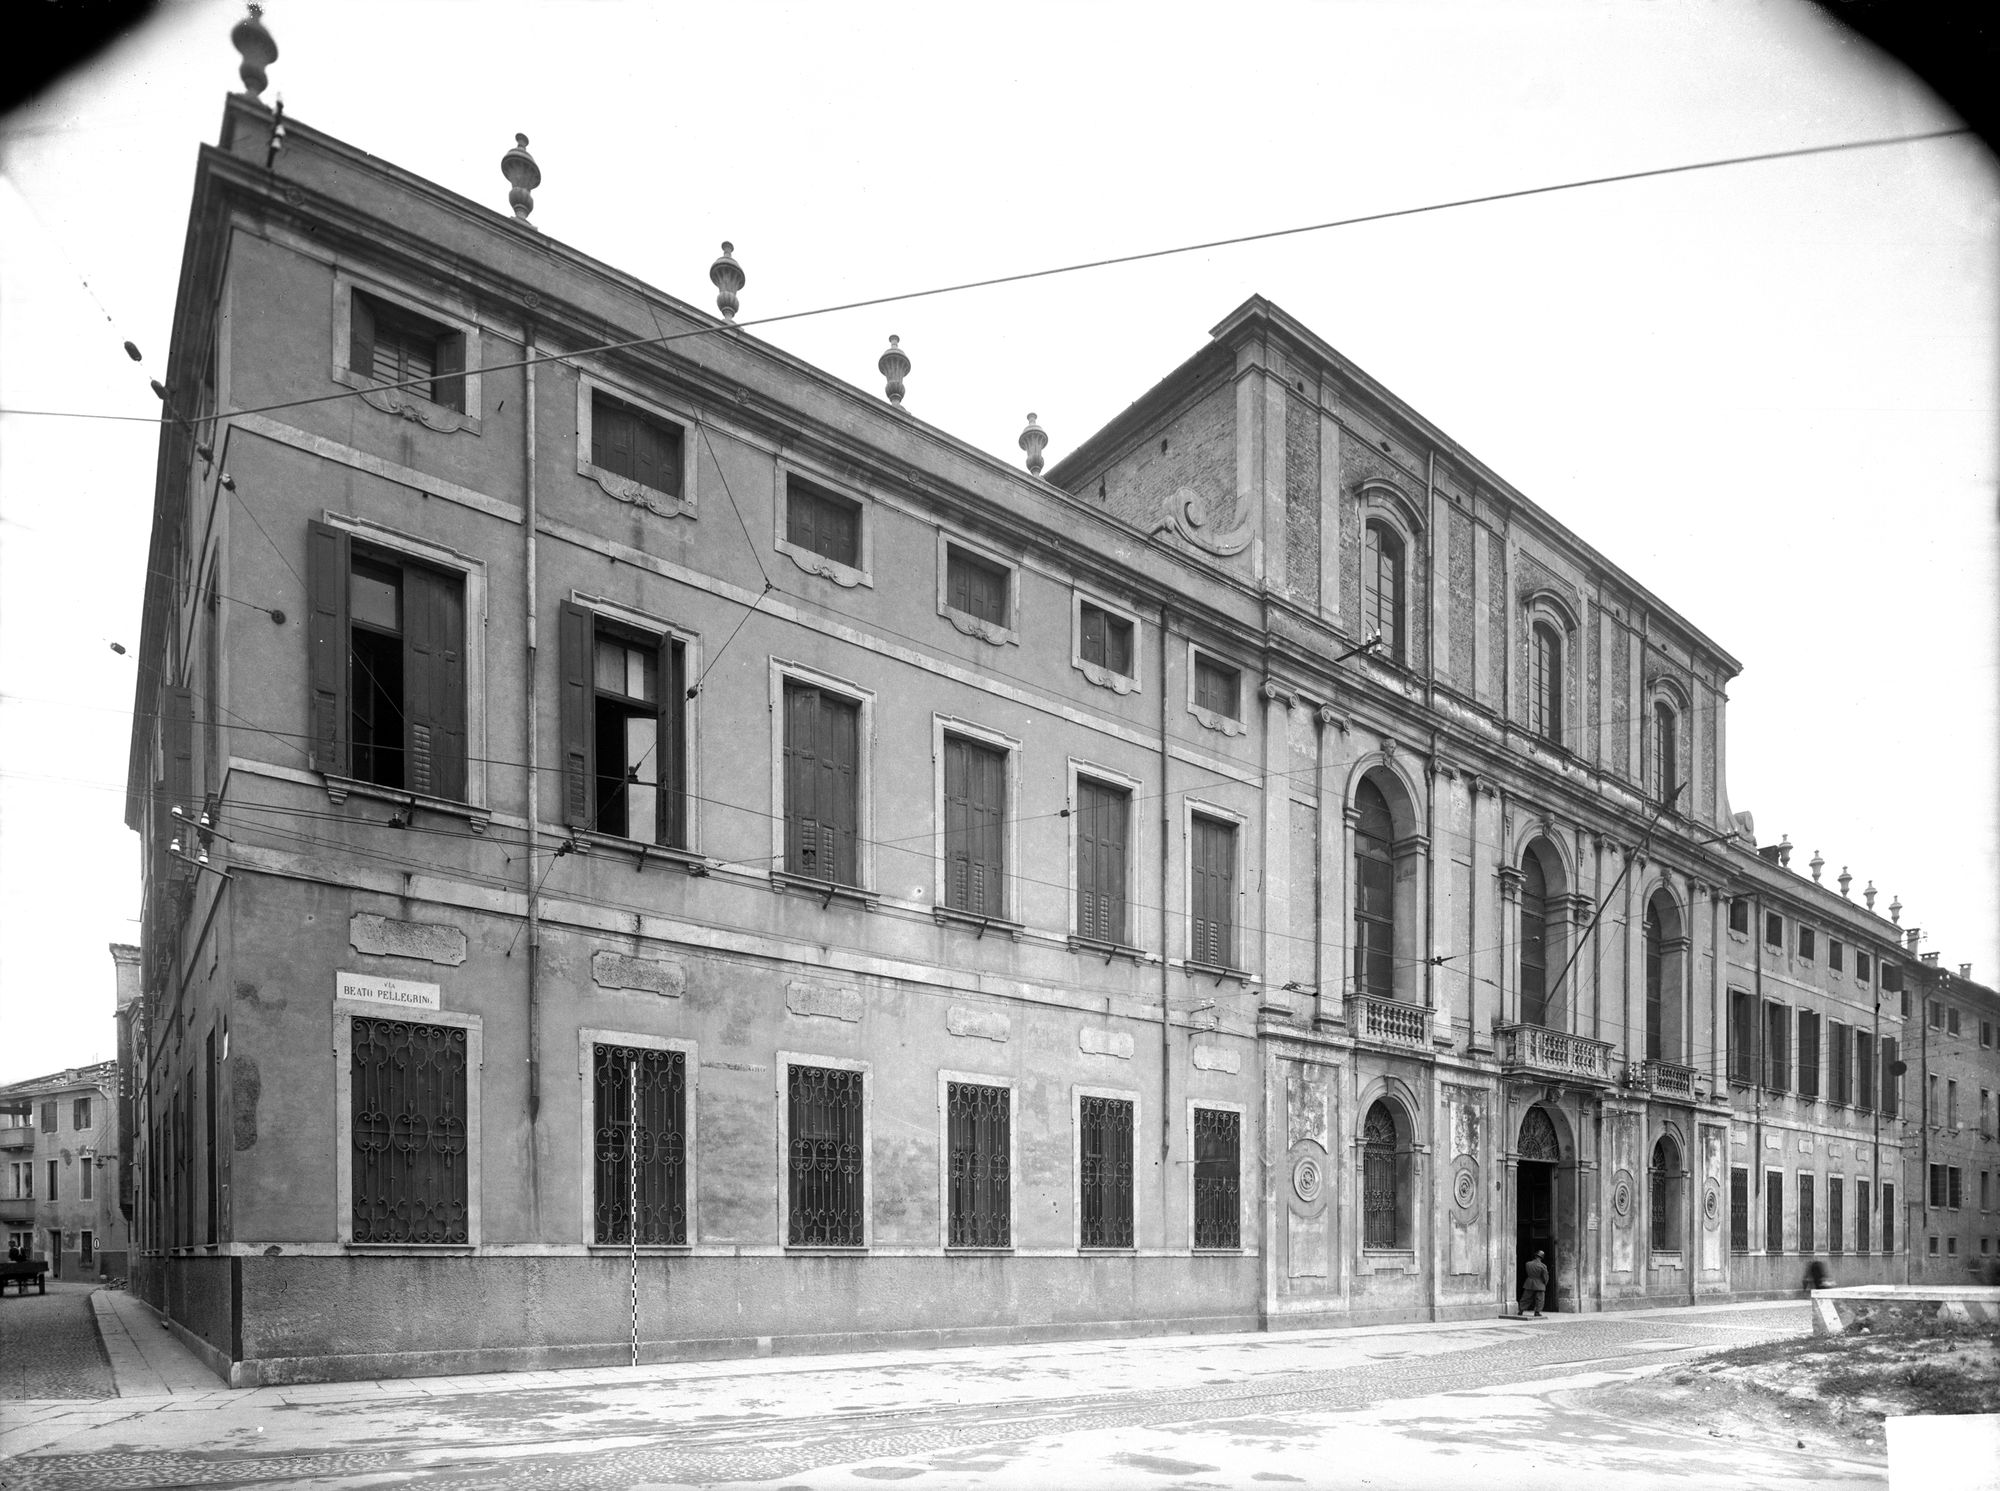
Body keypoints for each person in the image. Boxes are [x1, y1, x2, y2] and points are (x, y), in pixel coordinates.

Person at [1521, 1249, 1549, 1318]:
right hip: (1540, 1284)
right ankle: (1537, 1312)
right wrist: (1545, 1283)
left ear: (1535, 1256)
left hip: (1529, 1283)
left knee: (1526, 1298)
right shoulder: (1543, 1266)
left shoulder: (1528, 1264)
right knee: (1540, 1299)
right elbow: (1545, 1277)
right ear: (1542, 1257)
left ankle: (1521, 1310)